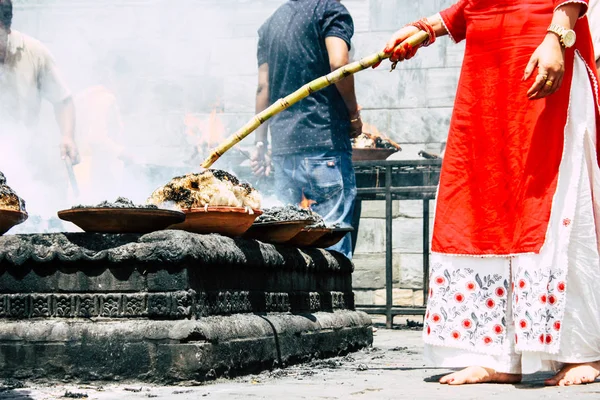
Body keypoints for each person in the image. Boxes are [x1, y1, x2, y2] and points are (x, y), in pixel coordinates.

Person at [381, 0, 600, 386]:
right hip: (489, 62)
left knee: (551, 193)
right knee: (489, 199)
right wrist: (429, 27)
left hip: (544, 50)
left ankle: (584, 349)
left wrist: (557, 34)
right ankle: (498, 354)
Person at [251, 0, 362, 259]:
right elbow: (338, 64)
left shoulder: (270, 25)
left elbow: (262, 88)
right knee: (332, 244)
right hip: (325, 146)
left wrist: (260, 143)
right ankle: (334, 301)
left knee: (288, 249)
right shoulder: (330, 11)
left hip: (284, 151)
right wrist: (353, 113)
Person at [0, 0, 79, 222]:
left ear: (5, 28)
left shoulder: (34, 52)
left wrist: (67, 136)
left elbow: (63, 100)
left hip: (26, 159)